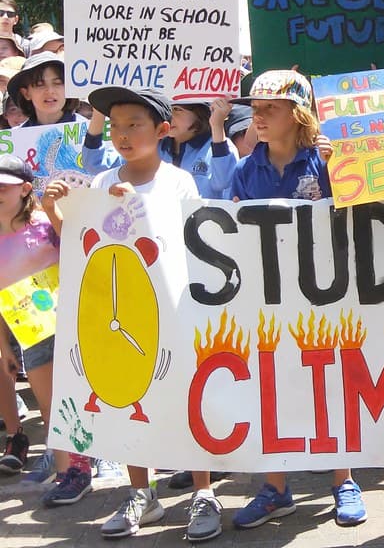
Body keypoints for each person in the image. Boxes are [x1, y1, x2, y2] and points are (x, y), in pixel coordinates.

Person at [43, 86, 213, 538]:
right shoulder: (99, 184)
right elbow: (79, 248)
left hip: (171, 314)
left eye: (133, 124)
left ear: (161, 130)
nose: (121, 134)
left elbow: (192, 242)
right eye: (115, 125)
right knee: (123, 398)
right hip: (118, 320)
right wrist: (53, 210)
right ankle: (142, 493)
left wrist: (135, 206)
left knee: (181, 397)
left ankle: (203, 492)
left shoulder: (179, 182)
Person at [229, 70, 367, 531]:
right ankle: (275, 488)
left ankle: (344, 479)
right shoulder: (247, 170)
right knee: (270, 387)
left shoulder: (323, 162)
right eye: (256, 108)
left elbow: (357, 220)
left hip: (327, 297)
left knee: (332, 385)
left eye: (270, 108)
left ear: (298, 113)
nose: (259, 116)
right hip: (269, 301)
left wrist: (338, 172)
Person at [0, 155, 93, 504]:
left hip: (72, 320)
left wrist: (54, 210)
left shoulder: (42, 221)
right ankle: (71, 472)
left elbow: (77, 244)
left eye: (3, 187)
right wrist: (6, 348)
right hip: (30, 333)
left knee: (87, 395)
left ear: (25, 189)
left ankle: (90, 462)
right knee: (50, 406)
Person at [82, 98, 237, 198]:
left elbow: (223, 182)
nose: (168, 115)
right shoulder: (150, 147)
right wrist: (98, 113)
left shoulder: (218, 146)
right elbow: (94, 163)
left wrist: (217, 126)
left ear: (199, 113)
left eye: (177, 110)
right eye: (166, 110)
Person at [6, 52, 84, 127]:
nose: (50, 91)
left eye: (57, 83)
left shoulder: (88, 131)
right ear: (26, 93)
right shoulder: (16, 137)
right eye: (40, 85)